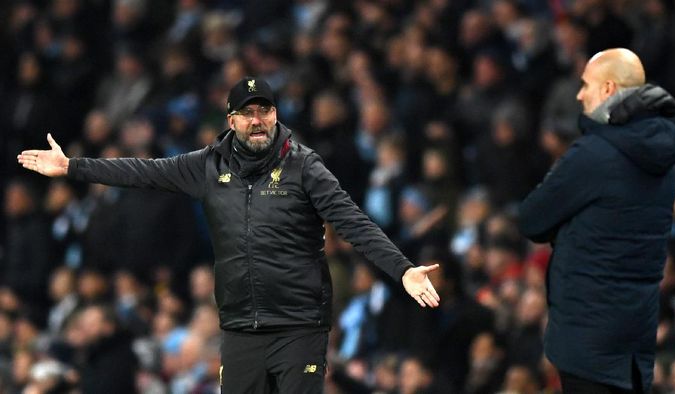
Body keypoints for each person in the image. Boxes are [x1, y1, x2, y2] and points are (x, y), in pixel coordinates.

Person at [17, 76, 441, 394]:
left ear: (276, 115)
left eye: (266, 111)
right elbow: (141, 172)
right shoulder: (206, 166)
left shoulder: (304, 167)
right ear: (232, 119)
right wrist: (73, 167)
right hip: (240, 328)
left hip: (299, 326)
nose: (258, 121)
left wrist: (402, 270)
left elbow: (352, 221)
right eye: (249, 113)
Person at [518, 48, 675, 393]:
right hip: (636, 332)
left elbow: (532, 219)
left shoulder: (594, 154)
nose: (579, 95)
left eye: (585, 85)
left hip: (588, 335)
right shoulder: (664, 155)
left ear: (608, 90)